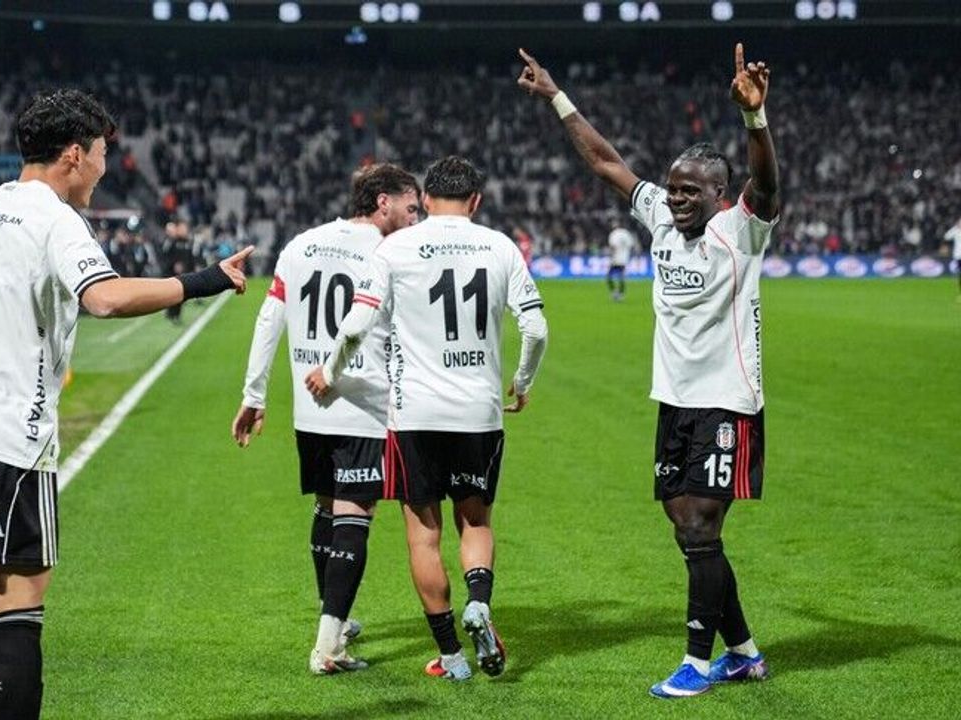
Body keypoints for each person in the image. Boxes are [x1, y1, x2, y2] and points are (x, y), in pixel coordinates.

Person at [0, 89, 253, 720]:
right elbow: (105, 298)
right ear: (73, 154)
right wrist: (205, 280)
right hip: (5, 439)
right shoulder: (55, 218)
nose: (102, 168)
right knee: (17, 612)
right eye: (100, 154)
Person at [518, 44, 780, 698]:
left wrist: (754, 119)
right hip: (675, 401)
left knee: (700, 528)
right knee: (685, 526)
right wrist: (556, 96)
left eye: (692, 191)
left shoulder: (741, 231)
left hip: (727, 401)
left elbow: (768, 184)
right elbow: (604, 160)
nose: (679, 198)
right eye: (674, 188)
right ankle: (743, 652)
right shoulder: (659, 213)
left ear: (721, 196)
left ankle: (696, 662)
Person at [305, 156, 549, 681]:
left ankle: (452, 656)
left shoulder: (395, 248)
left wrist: (330, 370)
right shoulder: (500, 246)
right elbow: (536, 330)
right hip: (479, 412)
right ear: (476, 200)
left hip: (414, 413)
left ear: (428, 198)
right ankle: (479, 601)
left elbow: (357, 325)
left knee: (424, 536)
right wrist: (523, 382)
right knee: (475, 521)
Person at [231, 163, 422, 674]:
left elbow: (269, 319)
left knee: (325, 508)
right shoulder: (390, 254)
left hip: (308, 407)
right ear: (383, 203)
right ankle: (329, 647)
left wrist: (254, 394)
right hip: (361, 402)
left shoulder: (301, 244)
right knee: (354, 516)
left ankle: (331, 617)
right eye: (410, 209)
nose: (414, 219)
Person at [606, 217, 637, 301]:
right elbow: (631, 246)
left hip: (616, 258)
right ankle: (621, 293)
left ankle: (614, 292)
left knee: (609, 276)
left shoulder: (614, 234)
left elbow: (613, 247)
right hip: (624, 258)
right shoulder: (626, 233)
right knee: (621, 277)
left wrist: (611, 257)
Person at [944, 218, 961, 298]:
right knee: (959, 275)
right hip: (958, 256)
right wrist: (955, 228)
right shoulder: (955, 231)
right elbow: (946, 236)